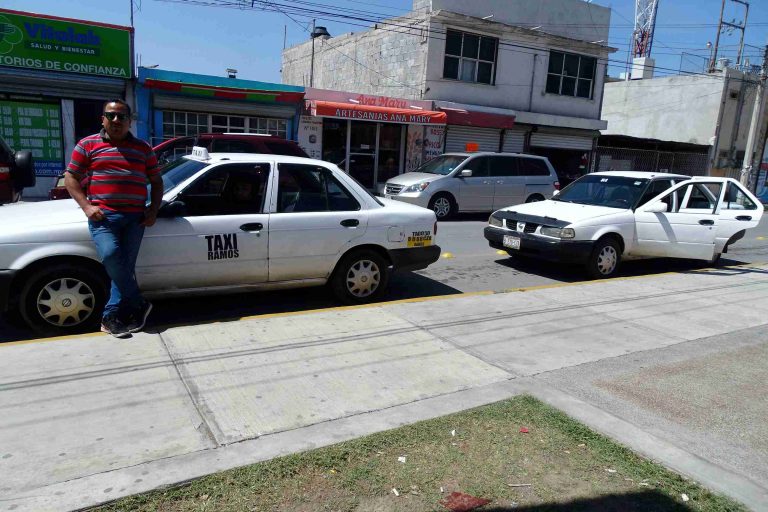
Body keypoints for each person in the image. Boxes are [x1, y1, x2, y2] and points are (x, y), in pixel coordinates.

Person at [65, 99, 163, 338]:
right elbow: (71, 178)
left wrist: (153, 211)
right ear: (103, 119)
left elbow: (157, 182)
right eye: (111, 116)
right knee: (111, 257)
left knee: (124, 268)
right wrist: (87, 206)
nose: (116, 121)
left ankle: (112, 317)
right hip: (103, 217)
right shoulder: (87, 145)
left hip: (135, 218)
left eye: (122, 116)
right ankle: (138, 303)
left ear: (130, 121)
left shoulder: (143, 149)